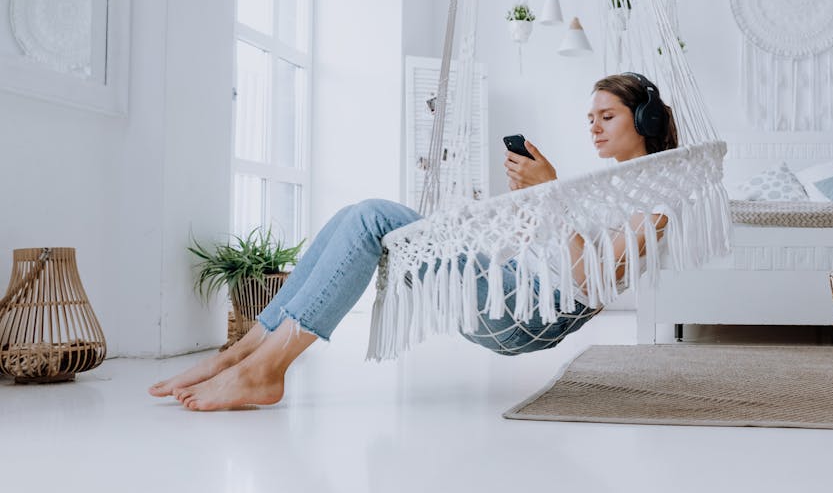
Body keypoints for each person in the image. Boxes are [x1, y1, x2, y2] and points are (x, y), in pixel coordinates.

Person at [149, 72, 678, 410]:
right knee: (354, 216)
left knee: (372, 217)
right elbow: (548, 243)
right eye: (590, 118)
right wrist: (533, 202)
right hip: (508, 282)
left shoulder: (653, 207)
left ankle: (265, 371)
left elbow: (588, 282)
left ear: (646, 120)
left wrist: (552, 195)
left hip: (528, 312)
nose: (594, 128)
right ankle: (240, 354)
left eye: (607, 117)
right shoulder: (609, 187)